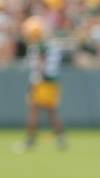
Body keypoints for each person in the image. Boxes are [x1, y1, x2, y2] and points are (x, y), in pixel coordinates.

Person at [19, 15, 66, 151]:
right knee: (52, 112)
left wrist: (35, 83)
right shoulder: (48, 45)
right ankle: (61, 139)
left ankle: (30, 140)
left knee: (34, 111)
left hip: (42, 81)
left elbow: (40, 65)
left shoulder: (40, 46)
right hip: (51, 82)